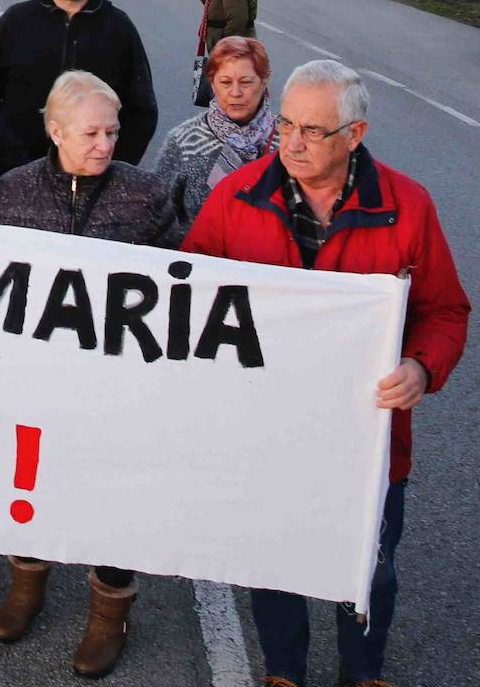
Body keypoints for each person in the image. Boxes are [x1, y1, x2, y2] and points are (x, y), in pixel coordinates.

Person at [182, 61, 468, 687]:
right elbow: (192, 290)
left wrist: (422, 367)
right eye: (285, 124)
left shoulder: (407, 206)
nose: (292, 143)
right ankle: (284, 671)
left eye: (312, 130)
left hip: (367, 435)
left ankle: (362, 672)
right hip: (263, 427)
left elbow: (445, 311)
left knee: (369, 565)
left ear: (354, 135)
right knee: (272, 557)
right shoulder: (236, 197)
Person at [0, 71, 176, 680]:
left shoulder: (145, 193)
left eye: (112, 132)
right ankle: (26, 586)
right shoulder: (12, 192)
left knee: (114, 494)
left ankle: (109, 612)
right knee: (30, 481)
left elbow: (181, 280)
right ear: (56, 131)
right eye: (91, 133)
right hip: (34, 379)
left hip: (118, 385)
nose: (106, 144)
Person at [0, 0, 158, 172]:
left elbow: (142, 111)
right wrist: (3, 157)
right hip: (19, 173)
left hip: (98, 177)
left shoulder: (119, 29)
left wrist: (113, 166)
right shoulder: (15, 22)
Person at [152, 37, 277, 236]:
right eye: (225, 82)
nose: (235, 92)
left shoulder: (288, 142)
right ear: (212, 84)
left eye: (246, 82)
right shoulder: (184, 141)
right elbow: (157, 217)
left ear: (264, 82)